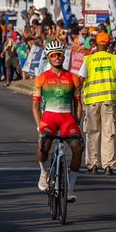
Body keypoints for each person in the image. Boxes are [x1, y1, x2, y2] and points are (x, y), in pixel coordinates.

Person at [32, 41, 83, 203]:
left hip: (67, 118)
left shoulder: (73, 77)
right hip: (49, 117)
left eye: (59, 54)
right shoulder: (41, 78)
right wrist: (39, 123)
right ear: (48, 58)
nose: (57, 58)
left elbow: (78, 103)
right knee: (44, 146)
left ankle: (69, 188)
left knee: (78, 148)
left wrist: (77, 121)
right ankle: (43, 173)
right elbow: (35, 105)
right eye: (53, 55)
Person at [79, 32, 116, 175]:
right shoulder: (114, 59)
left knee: (92, 132)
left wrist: (78, 96)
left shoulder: (89, 60)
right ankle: (108, 165)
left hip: (92, 102)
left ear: (95, 44)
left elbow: (81, 78)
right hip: (109, 100)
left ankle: (92, 164)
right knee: (108, 133)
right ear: (109, 45)